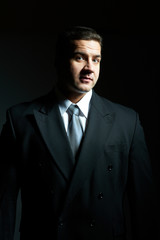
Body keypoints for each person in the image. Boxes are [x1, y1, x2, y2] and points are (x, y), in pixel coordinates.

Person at [0, 26, 157, 240]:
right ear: (59, 61)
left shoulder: (127, 121)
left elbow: (143, 204)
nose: (89, 68)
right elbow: (4, 201)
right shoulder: (20, 120)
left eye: (96, 59)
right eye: (80, 57)